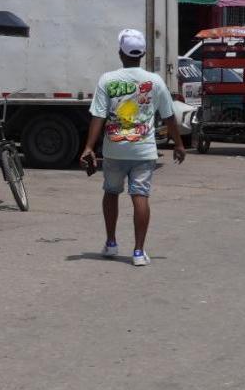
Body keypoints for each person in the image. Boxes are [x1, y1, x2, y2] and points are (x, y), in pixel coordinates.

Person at [79, 29, 184, 266]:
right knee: (140, 196)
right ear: (143, 54)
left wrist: (89, 147)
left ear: (120, 53)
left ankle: (111, 243)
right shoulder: (155, 81)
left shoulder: (107, 79)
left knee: (111, 193)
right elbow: (169, 116)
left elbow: (98, 116)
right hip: (143, 151)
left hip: (114, 150)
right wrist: (178, 144)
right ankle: (138, 252)